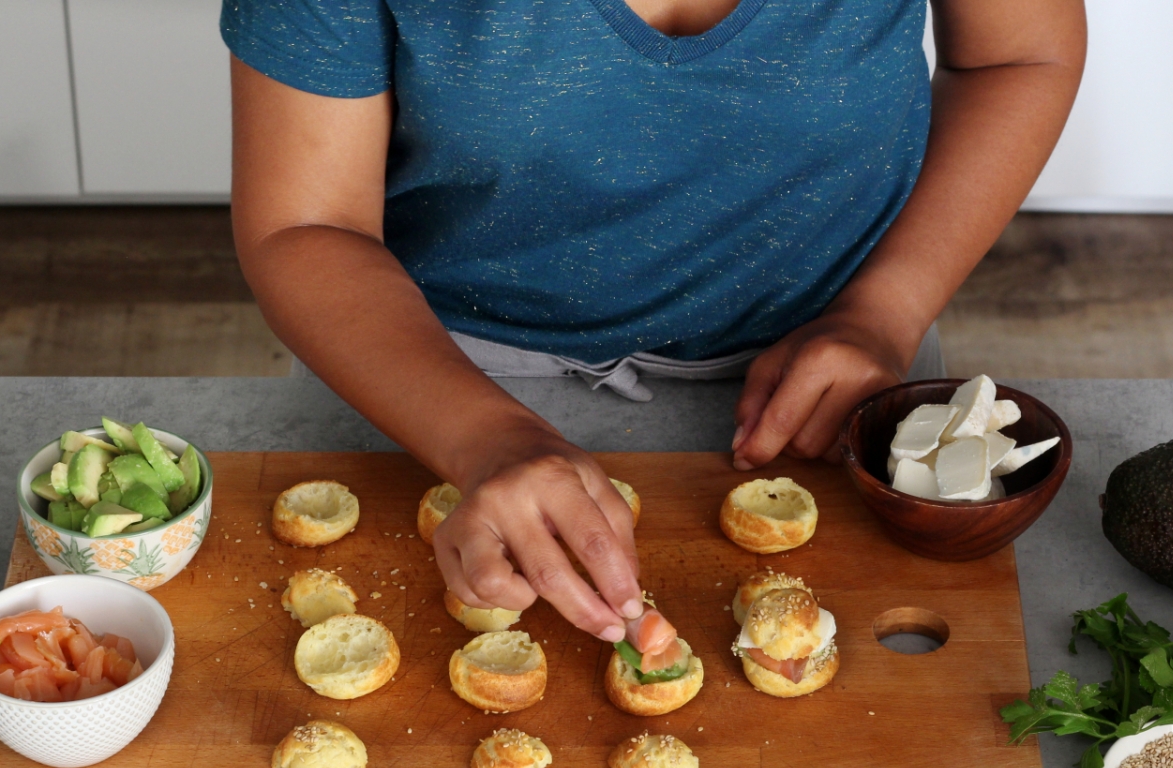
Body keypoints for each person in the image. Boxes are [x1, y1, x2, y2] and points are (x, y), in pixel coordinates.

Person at [223, 0, 1085, 642]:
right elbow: (308, 225)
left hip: (837, 381)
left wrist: (886, 311)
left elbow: (1021, 57)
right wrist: (482, 435)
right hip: (426, 377)